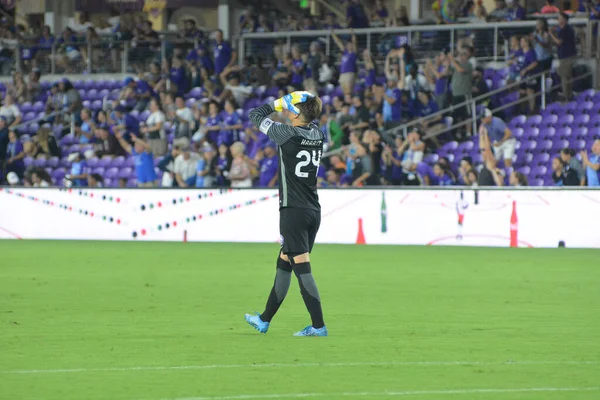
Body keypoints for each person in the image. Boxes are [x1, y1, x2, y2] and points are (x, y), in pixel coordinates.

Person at [245, 91, 327, 337]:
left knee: (302, 268)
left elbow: (255, 114)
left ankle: (318, 326)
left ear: (296, 113)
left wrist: (278, 103)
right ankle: (264, 320)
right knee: (284, 261)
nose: (287, 111)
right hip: (313, 210)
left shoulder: (286, 134)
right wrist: (294, 105)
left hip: (293, 211)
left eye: (291, 108)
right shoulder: (317, 134)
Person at [549, 13, 576, 101]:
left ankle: (567, 95)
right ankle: (568, 94)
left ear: (564, 19)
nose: (558, 20)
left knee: (565, 77)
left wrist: (551, 34)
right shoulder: (566, 29)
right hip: (566, 56)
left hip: (566, 56)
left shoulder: (565, 29)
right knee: (564, 75)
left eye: (559, 18)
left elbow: (559, 42)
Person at [331, 30, 358, 97]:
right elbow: (338, 42)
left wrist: (352, 35)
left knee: (348, 92)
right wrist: (333, 34)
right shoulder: (345, 52)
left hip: (350, 73)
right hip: (342, 74)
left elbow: (355, 43)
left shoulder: (353, 53)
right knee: (344, 92)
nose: (349, 45)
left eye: (350, 44)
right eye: (348, 44)